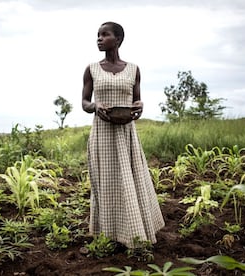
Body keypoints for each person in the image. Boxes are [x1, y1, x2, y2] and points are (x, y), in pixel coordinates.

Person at [81, 21, 165, 248]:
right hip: (103, 133)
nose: (99, 38)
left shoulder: (133, 69)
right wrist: (95, 107)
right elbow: (84, 102)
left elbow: (136, 99)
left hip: (126, 132)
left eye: (104, 35)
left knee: (131, 180)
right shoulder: (91, 69)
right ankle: (109, 236)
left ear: (117, 39)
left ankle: (135, 232)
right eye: (97, 35)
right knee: (106, 183)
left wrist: (140, 106)